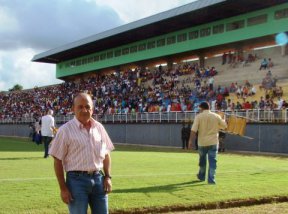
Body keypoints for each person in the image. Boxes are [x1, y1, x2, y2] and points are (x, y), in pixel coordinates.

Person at [49, 93, 114, 214]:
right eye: (80, 107)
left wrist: (108, 177)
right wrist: (63, 189)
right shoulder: (65, 130)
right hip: (76, 182)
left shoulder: (99, 128)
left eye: (87, 107)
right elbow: (57, 160)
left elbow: (106, 155)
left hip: (99, 179)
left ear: (92, 109)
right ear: (73, 109)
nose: (84, 110)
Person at [188, 101, 227, 184]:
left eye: (199, 108)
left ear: (201, 108)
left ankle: (201, 177)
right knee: (213, 162)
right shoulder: (216, 116)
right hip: (213, 142)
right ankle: (211, 180)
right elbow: (224, 126)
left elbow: (193, 130)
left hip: (202, 142)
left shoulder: (198, 117)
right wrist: (223, 118)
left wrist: (190, 141)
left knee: (202, 161)